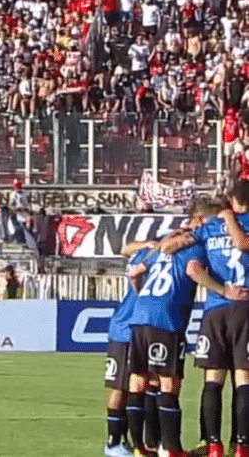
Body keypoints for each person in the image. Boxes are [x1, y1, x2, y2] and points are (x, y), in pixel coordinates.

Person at [125, 199, 244, 457]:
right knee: (170, 384)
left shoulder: (168, 243)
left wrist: (141, 297)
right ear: (202, 222)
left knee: (139, 381)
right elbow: (193, 270)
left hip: (140, 314)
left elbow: (135, 272)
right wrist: (223, 289)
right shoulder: (199, 245)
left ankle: (140, 447)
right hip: (167, 319)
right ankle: (172, 449)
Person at [162, 183, 249, 457]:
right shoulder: (234, 224)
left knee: (213, 379)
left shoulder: (210, 227)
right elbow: (242, 244)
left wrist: (177, 238)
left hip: (215, 311)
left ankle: (213, 445)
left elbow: (171, 248)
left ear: (232, 199)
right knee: (243, 380)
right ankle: (242, 447)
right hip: (244, 308)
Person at [103, 241, 159, 457]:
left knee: (147, 383)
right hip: (125, 330)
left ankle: (143, 442)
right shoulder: (150, 257)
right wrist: (150, 244)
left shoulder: (143, 255)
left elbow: (125, 248)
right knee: (121, 386)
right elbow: (125, 248)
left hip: (141, 328)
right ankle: (113, 442)